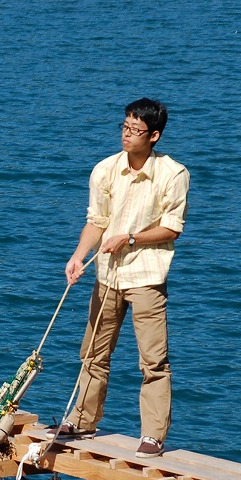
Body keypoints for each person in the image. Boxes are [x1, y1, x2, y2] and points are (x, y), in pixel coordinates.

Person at [57, 98, 190, 459]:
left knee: (153, 361)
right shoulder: (105, 170)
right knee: (93, 353)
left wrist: (129, 238)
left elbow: (172, 229)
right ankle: (82, 421)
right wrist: (78, 256)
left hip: (147, 277)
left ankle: (153, 436)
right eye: (125, 127)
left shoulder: (173, 174)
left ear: (154, 136)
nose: (127, 135)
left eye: (136, 130)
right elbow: (96, 221)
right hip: (107, 275)